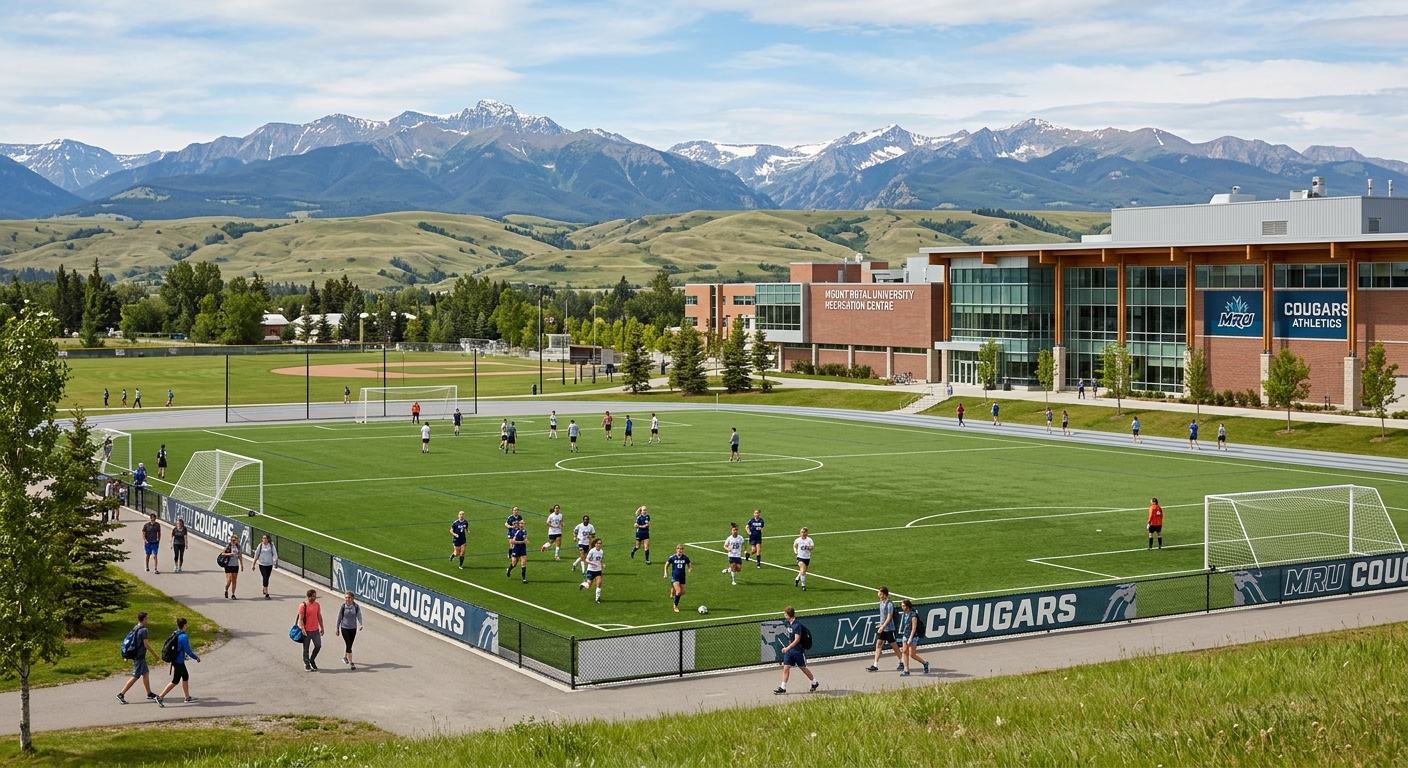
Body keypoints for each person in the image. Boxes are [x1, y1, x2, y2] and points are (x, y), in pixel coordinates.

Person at [155, 616, 200, 706]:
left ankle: (187, 697)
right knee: (179, 679)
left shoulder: (175, 633)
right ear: (184, 625)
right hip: (179, 661)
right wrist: (196, 658)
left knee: (180, 678)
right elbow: (188, 650)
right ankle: (160, 697)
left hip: (174, 659)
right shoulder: (183, 636)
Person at [773, 606, 818, 695]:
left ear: (788, 615)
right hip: (790, 652)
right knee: (786, 667)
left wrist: (787, 648)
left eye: (785, 614)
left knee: (803, 668)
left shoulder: (797, 625)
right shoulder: (790, 624)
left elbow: (797, 640)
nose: (784, 616)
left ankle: (814, 682)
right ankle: (783, 687)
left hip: (797, 651)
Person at [115, 611, 159, 704]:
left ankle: (149, 693)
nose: (147, 620)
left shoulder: (136, 627)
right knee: (135, 676)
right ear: (143, 619)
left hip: (136, 654)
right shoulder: (144, 630)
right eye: (147, 618)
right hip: (139, 656)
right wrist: (155, 654)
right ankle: (121, 694)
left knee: (145, 674)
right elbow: (146, 644)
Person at [865, 587, 904, 672]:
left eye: (880, 593)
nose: (878, 594)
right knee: (878, 645)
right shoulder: (881, 603)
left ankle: (902, 661)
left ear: (884, 594)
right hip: (883, 628)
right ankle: (875, 664)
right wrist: (880, 625)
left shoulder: (889, 604)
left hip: (889, 628)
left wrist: (883, 626)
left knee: (894, 645)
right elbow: (883, 616)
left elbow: (889, 617)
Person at [899, 599, 929, 676]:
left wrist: (910, 638)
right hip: (905, 635)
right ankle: (906, 669)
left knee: (912, 654)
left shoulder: (913, 616)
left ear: (907, 606)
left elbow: (914, 628)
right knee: (904, 652)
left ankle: (925, 663)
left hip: (913, 637)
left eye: (903, 606)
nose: (902, 607)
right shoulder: (905, 614)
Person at [297, 589, 324, 672]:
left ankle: (312, 659)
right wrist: (303, 629)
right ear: (308, 597)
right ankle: (307, 663)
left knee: (318, 645)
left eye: (315, 596)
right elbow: (301, 618)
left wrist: (322, 627)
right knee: (306, 648)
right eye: (312, 596)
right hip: (307, 630)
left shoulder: (317, 605)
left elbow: (319, 616)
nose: (314, 598)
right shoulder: (303, 606)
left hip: (315, 630)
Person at [336, 591, 364, 670]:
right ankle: (351, 662)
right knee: (348, 644)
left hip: (353, 628)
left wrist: (361, 624)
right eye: (346, 597)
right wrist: (337, 628)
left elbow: (359, 615)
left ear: (352, 598)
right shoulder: (343, 606)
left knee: (349, 644)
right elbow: (339, 617)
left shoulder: (356, 606)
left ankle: (345, 657)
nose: (347, 599)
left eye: (349, 598)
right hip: (344, 628)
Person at [664, 544, 692, 612]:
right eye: (679, 549)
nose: (680, 550)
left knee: (683, 592)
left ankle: (673, 589)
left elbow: (689, 563)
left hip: (682, 577)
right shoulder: (672, 557)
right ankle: (675, 606)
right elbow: (666, 565)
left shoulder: (685, 557)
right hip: (675, 577)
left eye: (681, 549)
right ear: (676, 550)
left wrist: (690, 568)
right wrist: (665, 573)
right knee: (678, 592)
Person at [253, 533, 278, 598]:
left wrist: (275, 559)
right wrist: (253, 564)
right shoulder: (260, 545)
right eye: (263, 538)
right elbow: (256, 555)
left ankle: (264, 587)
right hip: (262, 564)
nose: (264, 540)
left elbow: (274, 553)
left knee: (267, 577)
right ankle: (266, 592)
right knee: (265, 577)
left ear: (268, 539)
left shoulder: (271, 545)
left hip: (269, 564)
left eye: (265, 538)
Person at [580, 538, 605, 603]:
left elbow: (600, 559)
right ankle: (583, 584)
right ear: (595, 544)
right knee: (588, 586)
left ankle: (597, 599)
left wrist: (602, 564)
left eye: (600, 543)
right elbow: (587, 560)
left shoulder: (601, 551)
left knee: (599, 584)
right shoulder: (592, 551)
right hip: (591, 570)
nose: (599, 545)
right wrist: (592, 563)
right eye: (598, 543)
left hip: (598, 570)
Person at [221, 534, 242, 599]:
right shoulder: (228, 546)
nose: (233, 541)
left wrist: (241, 565)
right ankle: (226, 589)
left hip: (235, 565)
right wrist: (230, 554)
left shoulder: (238, 547)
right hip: (228, 565)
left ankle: (233, 594)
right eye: (232, 540)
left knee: (234, 580)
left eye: (235, 540)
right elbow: (222, 554)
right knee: (229, 580)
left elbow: (240, 556)